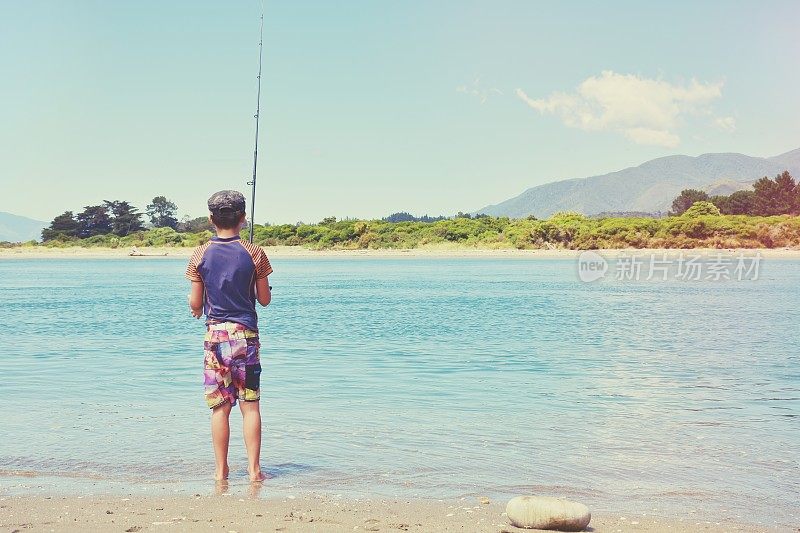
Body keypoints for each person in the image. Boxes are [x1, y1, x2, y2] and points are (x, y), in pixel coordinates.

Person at [185, 190, 272, 482]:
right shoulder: (255, 252)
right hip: (246, 337)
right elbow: (264, 299)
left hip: (215, 338)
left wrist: (196, 307)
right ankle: (254, 470)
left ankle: (221, 471)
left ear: (211, 219)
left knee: (220, 408)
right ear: (243, 218)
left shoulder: (199, 254)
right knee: (250, 405)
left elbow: (196, 304)